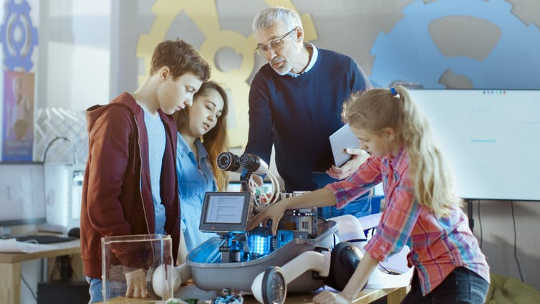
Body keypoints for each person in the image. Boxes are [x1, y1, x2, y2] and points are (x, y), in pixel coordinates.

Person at [249, 86, 490, 304]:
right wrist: (287, 203)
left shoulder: (413, 170)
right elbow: (342, 190)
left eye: (365, 141)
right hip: (430, 273)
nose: (362, 148)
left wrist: (345, 296)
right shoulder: (387, 158)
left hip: (458, 274)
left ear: (388, 133)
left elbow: (385, 241)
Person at [80, 40, 210, 303]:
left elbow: (163, 201)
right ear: (164, 75)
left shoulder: (165, 124)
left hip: (155, 267)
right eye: (187, 89)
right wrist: (131, 263)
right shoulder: (118, 118)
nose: (188, 102)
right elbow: (102, 200)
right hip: (120, 270)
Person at [245, 7, 372, 218]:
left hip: (351, 194)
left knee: (351, 251)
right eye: (263, 48)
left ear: (298, 35)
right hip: (298, 196)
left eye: (276, 43)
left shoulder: (345, 69)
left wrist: (365, 156)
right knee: (306, 252)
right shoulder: (263, 82)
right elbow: (258, 143)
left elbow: (377, 128)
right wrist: (251, 173)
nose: (270, 55)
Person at [173, 80, 229, 263]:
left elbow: (215, 221)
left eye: (218, 114)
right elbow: (172, 217)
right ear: (189, 101)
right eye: (209, 107)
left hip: (213, 265)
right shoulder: (169, 150)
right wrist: (183, 269)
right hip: (187, 265)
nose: (213, 118)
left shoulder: (207, 160)